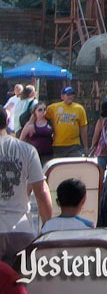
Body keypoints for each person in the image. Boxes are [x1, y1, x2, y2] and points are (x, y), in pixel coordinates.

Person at [0, 108, 52, 264]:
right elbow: (41, 191)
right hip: (21, 230)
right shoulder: (27, 150)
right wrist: (48, 227)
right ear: (8, 122)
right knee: (20, 286)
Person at [46, 87, 87, 158]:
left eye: (72, 94)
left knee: (74, 166)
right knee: (58, 167)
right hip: (58, 145)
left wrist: (86, 146)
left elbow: (83, 127)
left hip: (74, 145)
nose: (70, 96)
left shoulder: (79, 108)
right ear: (62, 96)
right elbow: (41, 117)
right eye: (68, 95)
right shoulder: (53, 108)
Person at [18, 103, 53, 167]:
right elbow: (21, 139)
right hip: (34, 154)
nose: (43, 111)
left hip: (48, 154)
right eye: (40, 110)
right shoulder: (30, 124)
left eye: (44, 109)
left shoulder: (50, 122)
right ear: (35, 112)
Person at [89, 101, 107, 172]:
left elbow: (96, 135)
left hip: (102, 148)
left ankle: (101, 182)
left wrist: (92, 146)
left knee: (101, 170)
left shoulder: (101, 120)